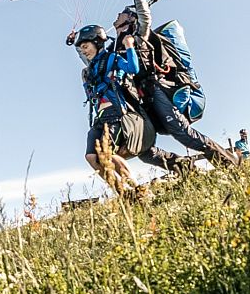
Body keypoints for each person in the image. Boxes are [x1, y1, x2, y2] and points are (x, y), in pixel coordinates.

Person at [116, 0, 240, 167]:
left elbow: (145, 17)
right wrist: (78, 44)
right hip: (142, 99)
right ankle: (182, 167)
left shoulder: (139, 36)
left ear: (131, 18)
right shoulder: (116, 47)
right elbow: (94, 59)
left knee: (183, 133)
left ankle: (228, 163)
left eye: (123, 13)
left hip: (155, 88)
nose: (118, 14)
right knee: (141, 147)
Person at [71, 25, 188, 188]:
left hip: (116, 113)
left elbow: (133, 68)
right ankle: (123, 194)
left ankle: (138, 190)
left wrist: (129, 46)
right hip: (100, 117)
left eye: (85, 47)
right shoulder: (90, 69)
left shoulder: (112, 58)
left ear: (97, 43)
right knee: (91, 157)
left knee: (108, 154)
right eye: (81, 48)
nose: (83, 51)